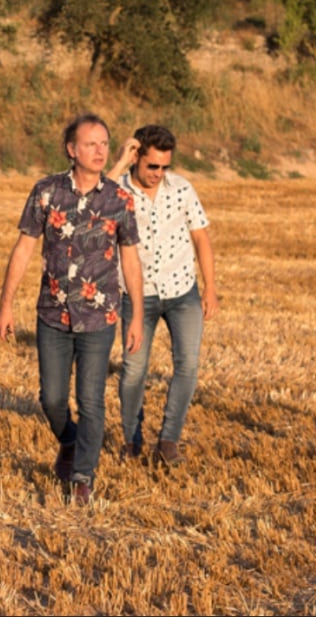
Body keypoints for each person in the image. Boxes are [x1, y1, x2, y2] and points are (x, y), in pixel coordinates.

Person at [0, 113, 144, 506]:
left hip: (100, 316)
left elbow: (130, 260)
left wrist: (137, 316)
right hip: (52, 314)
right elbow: (24, 248)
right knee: (52, 399)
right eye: (91, 144)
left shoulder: (119, 199)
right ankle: (69, 440)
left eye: (104, 144)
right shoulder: (46, 192)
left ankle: (83, 477)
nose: (100, 151)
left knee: (91, 400)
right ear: (71, 150)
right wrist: (5, 305)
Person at [105, 124, 219, 467]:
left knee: (188, 367)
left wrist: (210, 289)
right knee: (134, 370)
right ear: (137, 157)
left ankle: (169, 440)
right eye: (152, 165)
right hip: (137, 296)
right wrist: (120, 163)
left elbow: (201, 238)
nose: (158, 173)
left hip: (183, 291)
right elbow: (89, 205)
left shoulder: (182, 189)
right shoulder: (117, 190)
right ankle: (130, 439)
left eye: (164, 167)